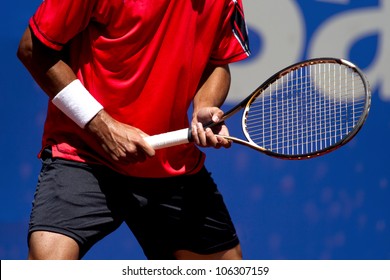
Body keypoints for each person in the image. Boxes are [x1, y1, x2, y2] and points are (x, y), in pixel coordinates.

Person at [17, 0, 250, 260]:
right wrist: (103, 127)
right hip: (84, 154)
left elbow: (217, 61)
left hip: (170, 163)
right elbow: (33, 48)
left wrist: (205, 105)